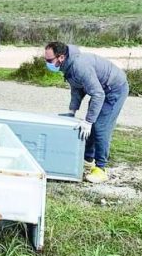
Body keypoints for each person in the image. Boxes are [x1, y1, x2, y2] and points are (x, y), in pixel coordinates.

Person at [45, 41, 129, 183]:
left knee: (100, 127)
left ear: (61, 57)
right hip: (101, 90)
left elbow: (98, 94)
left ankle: (101, 168)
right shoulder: (68, 66)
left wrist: (89, 121)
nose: (46, 62)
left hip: (114, 89)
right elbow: (77, 88)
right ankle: (87, 159)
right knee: (89, 124)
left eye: (49, 60)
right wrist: (72, 111)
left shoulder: (79, 66)